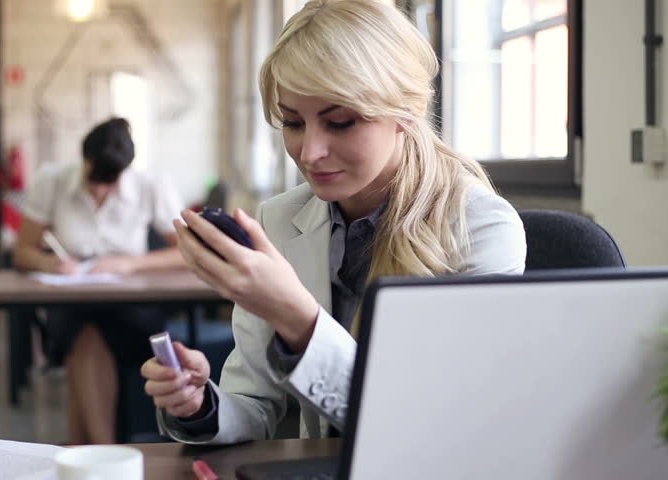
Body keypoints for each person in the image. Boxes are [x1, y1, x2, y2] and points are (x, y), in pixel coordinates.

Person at [141, 0, 526, 444]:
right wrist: (200, 404)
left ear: (406, 112)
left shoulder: (482, 229)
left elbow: (432, 425)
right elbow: (254, 402)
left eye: (340, 122)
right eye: (292, 122)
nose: (309, 153)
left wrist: (298, 319)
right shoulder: (280, 219)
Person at [14, 117, 186, 444]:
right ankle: (102, 453)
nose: (99, 189)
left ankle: (90, 453)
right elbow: (23, 251)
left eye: (110, 182)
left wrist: (130, 264)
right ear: (85, 160)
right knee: (83, 329)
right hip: (71, 301)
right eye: (94, 178)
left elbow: (188, 253)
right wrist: (49, 263)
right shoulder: (53, 181)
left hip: (132, 306)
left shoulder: (151, 186)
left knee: (87, 338)